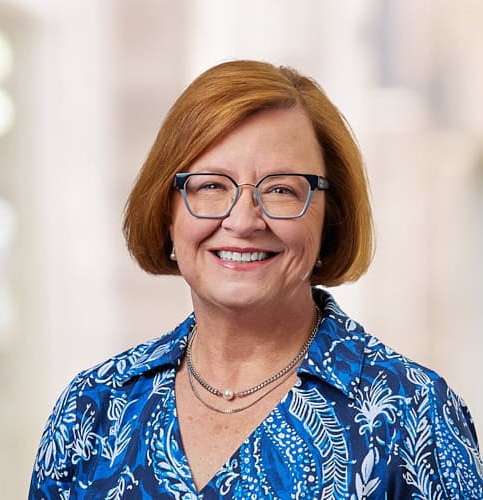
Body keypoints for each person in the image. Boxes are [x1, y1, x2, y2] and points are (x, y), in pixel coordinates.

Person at [29, 60, 482, 499]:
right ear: (167, 211)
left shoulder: (414, 416)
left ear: (331, 217)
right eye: (210, 185)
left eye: (281, 189)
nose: (243, 221)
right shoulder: (92, 407)